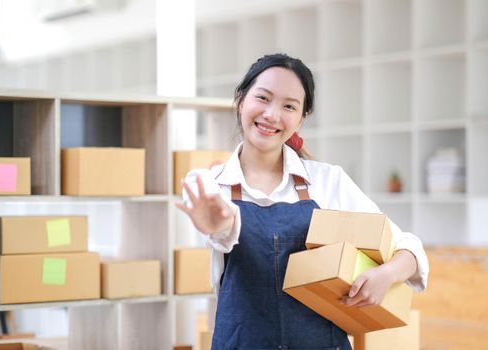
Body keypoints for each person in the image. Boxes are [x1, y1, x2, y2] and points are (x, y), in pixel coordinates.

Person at [176, 53, 429, 349]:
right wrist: (222, 225)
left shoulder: (327, 181)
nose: (272, 115)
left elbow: (409, 248)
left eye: (288, 106)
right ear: (241, 100)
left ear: (301, 118)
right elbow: (220, 232)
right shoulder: (208, 184)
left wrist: (387, 274)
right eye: (263, 98)